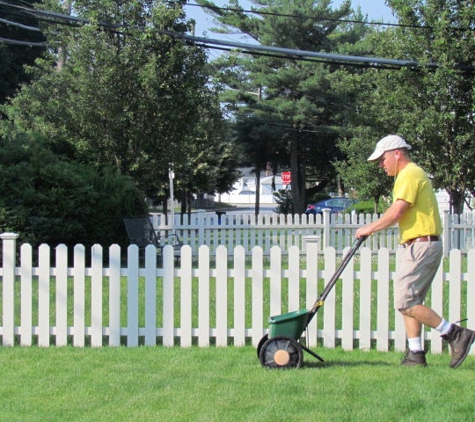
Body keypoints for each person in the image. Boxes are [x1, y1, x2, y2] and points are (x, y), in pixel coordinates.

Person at [355, 134, 475, 368]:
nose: (381, 165)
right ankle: (415, 354)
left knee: (404, 301)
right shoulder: (407, 175)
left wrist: (369, 228)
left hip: (421, 244)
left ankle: (455, 334)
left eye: (382, 159)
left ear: (397, 153)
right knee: (411, 300)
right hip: (417, 244)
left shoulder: (409, 174)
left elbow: (397, 211)